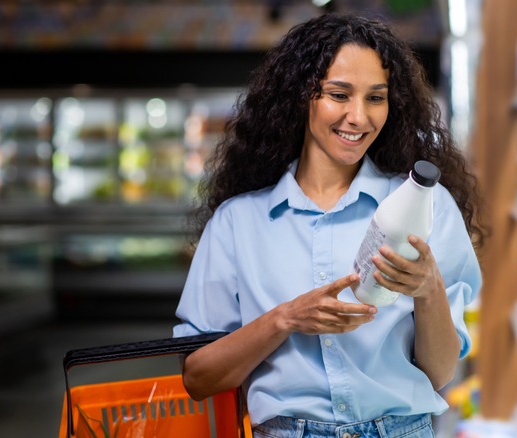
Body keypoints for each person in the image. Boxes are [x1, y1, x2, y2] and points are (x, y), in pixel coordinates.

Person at [173, 12, 487, 438]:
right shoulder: (238, 222)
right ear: (301, 97)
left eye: (376, 98)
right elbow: (198, 377)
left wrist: (428, 288)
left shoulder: (424, 207)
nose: (358, 117)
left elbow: (439, 372)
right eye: (339, 95)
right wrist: (285, 319)